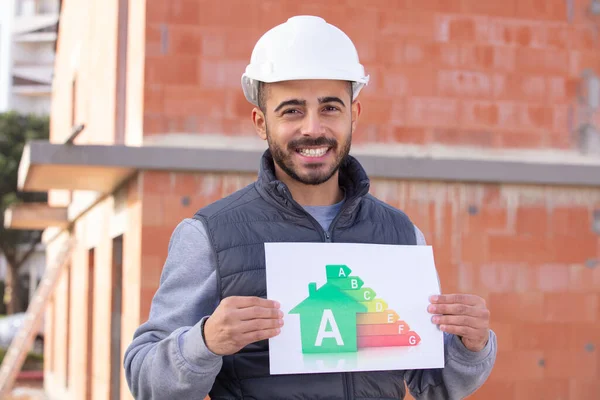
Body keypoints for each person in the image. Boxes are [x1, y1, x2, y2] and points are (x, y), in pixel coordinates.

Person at [124, 15, 497, 399]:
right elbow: (146, 381)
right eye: (292, 110)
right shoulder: (209, 236)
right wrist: (205, 342)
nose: (313, 128)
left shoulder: (401, 234)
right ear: (260, 122)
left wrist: (471, 348)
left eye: (330, 108)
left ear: (354, 114)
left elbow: (434, 385)